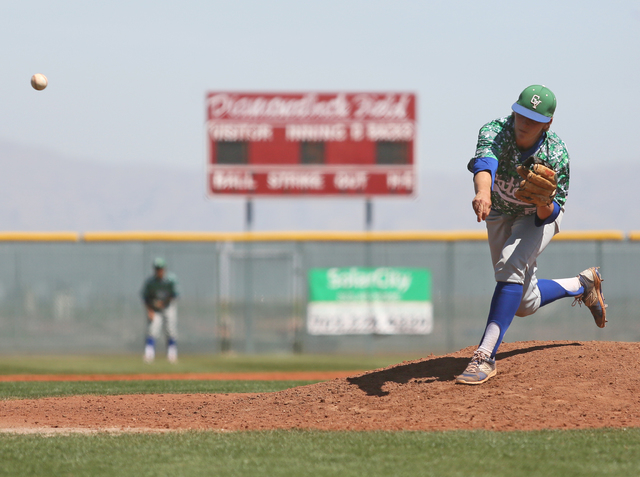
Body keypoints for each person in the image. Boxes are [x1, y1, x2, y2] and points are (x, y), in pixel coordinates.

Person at [456, 84, 607, 385]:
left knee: (510, 265)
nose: (523, 123)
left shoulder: (556, 153)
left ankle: (485, 356)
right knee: (524, 303)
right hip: (498, 210)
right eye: (520, 114)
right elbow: (485, 163)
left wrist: (543, 202)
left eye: (532, 119)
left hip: (536, 217)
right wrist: (482, 193)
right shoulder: (496, 130)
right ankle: (582, 284)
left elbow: (549, 214)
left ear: (547, 123)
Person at [141, 257, 180, 363]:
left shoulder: (170, 280)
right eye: (157, 268)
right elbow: (145, 297)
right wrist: (150, 311)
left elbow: (174, 295)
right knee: (152, 329)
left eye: (161, 268)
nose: (159, 270)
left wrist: (163, 302)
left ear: (164, 269)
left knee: (170, 329)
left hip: (168, 306)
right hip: (154, 308)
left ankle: (172, 353)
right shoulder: (150, 282)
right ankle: (149, 354)